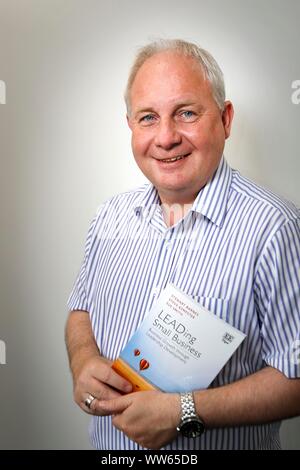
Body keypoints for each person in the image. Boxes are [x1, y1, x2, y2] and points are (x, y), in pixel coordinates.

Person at [65, 39, 300, 450]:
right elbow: (81, 309)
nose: (166, 137)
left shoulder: (275, 227)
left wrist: (184, 412)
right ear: (131, 128)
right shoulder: (109, 217)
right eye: (148, 118)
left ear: (226, 120)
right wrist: (82, 360)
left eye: (186, 113)